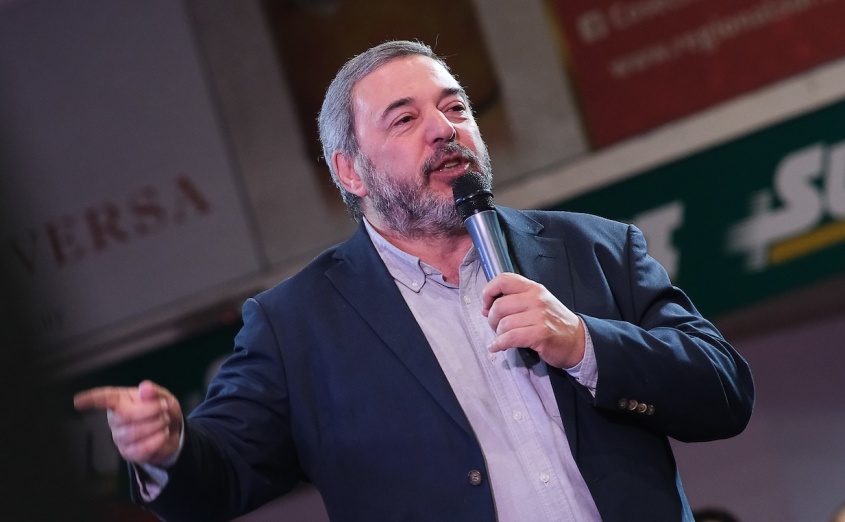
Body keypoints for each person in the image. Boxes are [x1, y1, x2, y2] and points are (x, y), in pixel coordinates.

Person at [74, 40, 755, 521]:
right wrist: (166, 451)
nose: (443, 129)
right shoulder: (297, 325)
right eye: (405, 118)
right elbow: (216, 480)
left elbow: (724, 392)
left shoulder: (594, 247)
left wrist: (583, 344)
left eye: (455, 108)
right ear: (349, 171)